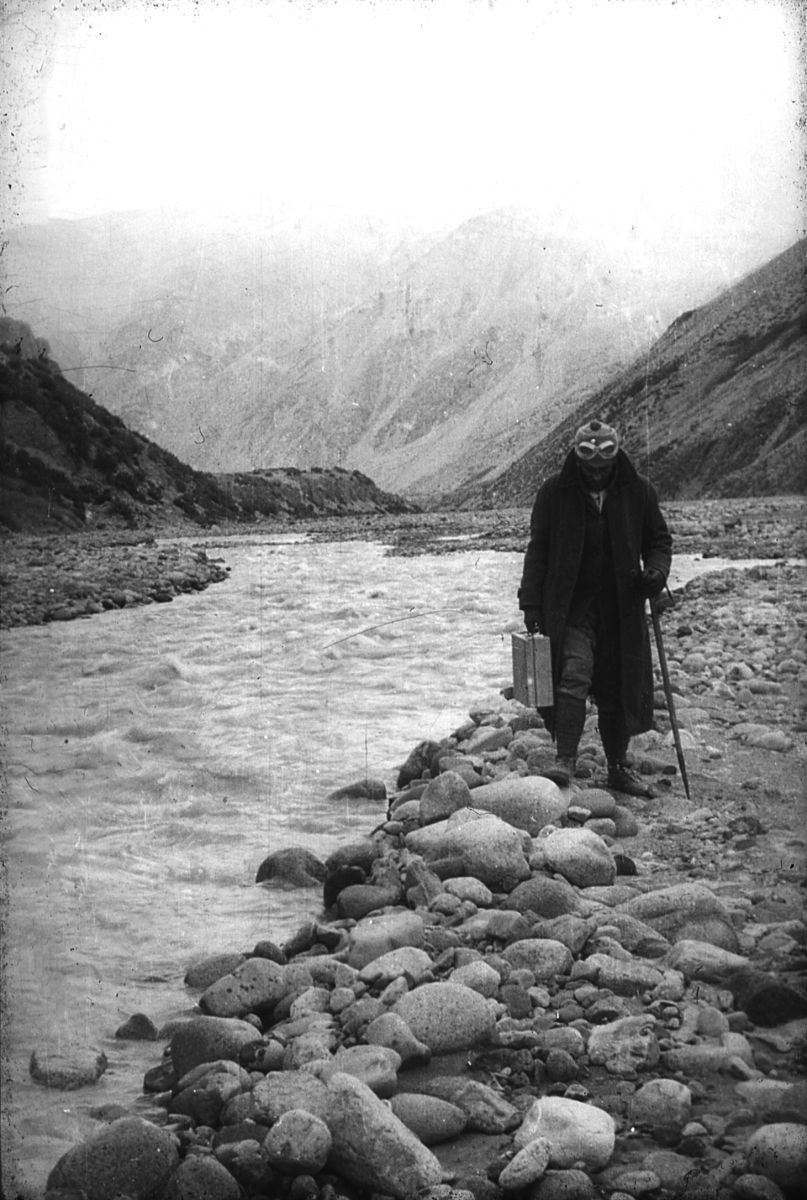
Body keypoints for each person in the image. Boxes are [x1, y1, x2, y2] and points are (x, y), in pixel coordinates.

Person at [518, 418, 672, 794]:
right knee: (573, 673)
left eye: (604, 467)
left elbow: (658, 540)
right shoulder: (554, 493)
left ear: (616, 459)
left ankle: (619, 767)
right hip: (571, 608)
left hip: (622, 606)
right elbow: (538, 551)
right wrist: (531, 604)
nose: (597, 474)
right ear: (578, 459)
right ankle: (565, 760)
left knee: (617, 683)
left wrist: (655, 570)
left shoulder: (639, 492)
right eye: (590, 467)